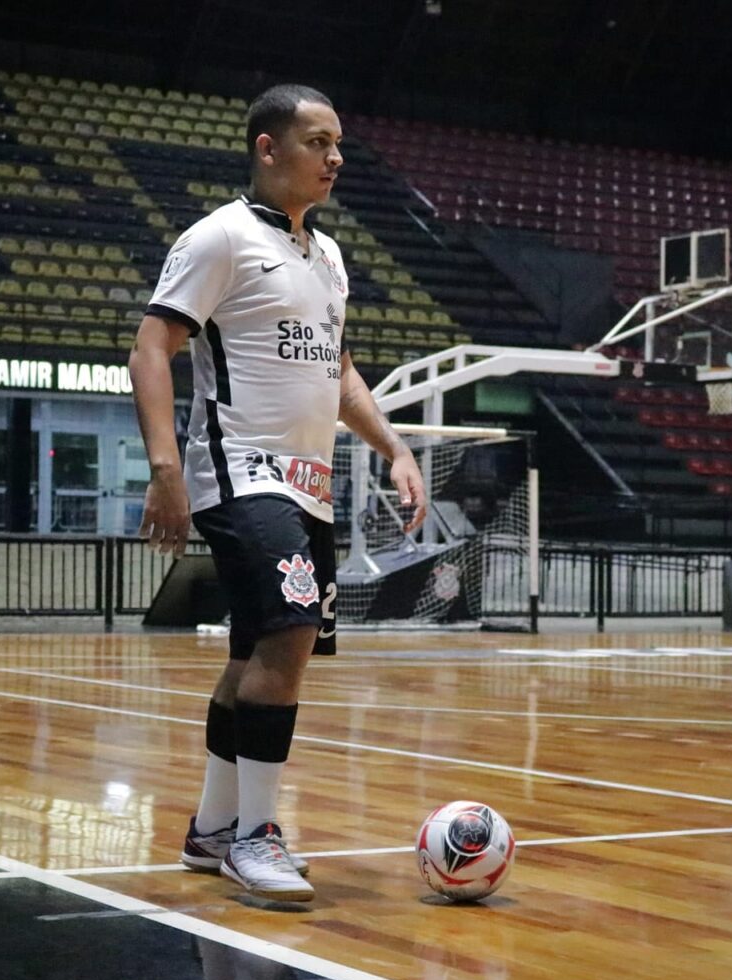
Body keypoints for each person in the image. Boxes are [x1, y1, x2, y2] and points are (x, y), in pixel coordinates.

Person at [128, 83, 426, 903]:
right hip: (240, 472)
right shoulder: (218, 239)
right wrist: (165, 471)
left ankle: (212, 828)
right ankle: (257, 838)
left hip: (310, 487)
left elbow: (337, 371)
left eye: (340, 145)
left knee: (255, 652)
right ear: (269, 148)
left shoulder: (327, 257)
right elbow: (151, 350)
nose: (336, 158)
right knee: (290, 636)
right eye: (319, 142)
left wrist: (393, 444)